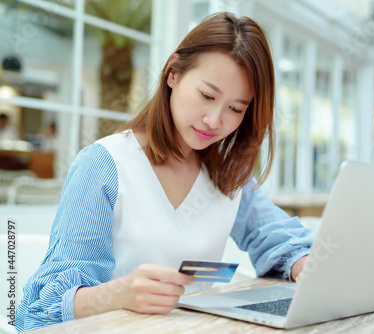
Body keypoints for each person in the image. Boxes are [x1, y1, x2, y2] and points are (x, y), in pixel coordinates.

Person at [16, 12, 316, 332]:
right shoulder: (104, 165)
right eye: (207, 96)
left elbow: (276, 237)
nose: (214, 120)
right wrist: (116, 294)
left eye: (235, 108)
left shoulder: (230, 172)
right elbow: (34, 314)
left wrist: (305, 266)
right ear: (173, 73)